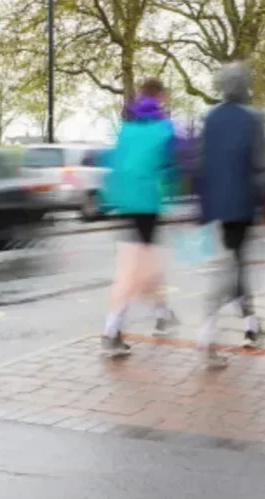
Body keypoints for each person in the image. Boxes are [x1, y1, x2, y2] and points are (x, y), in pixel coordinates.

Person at [196, 62, 265, 366]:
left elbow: (201, 164)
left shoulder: (211, 118)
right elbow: (262, 166)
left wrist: (203, 207)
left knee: (235, 264)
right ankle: (207, 336)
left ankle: (251, 326)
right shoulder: (252, 119)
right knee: (231, 271)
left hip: (218, 207)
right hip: (243, 206)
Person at [100, 78, 179, 354]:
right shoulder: (164, 128)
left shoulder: (125, 128)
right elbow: (170, 167)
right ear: (159, 97)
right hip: (148, 202)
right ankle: (111, 330)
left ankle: (162, 312)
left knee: (144, 261)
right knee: (134, 269)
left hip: (125, 201)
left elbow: (113, 161)